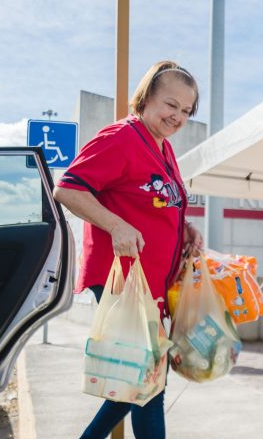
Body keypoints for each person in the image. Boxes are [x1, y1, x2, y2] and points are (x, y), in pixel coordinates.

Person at [53, 60, 204, 439]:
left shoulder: (163, 149)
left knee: (142, 382)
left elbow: (153, 203)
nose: (178, 117)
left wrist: (184, 227)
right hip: (124, 282)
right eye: (171, 105)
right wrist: (116, 225)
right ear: (147, 97)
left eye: (186, 111)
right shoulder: (120, 137)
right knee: (147, 383)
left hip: (152, 286)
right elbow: (68, 189)